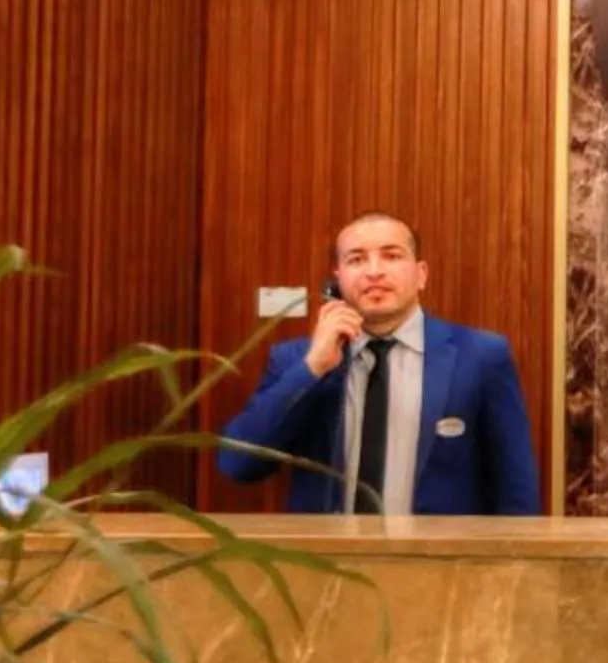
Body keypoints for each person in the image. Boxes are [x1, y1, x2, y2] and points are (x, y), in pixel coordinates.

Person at [218, 212, 541, 515]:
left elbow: (516, 488)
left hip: (442, 568)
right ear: (338, 280)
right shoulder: (295, 360)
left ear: (421, 274)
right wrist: (312, 368)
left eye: (392, 255)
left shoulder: (482, 356)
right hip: (327, 566)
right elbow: (238, 464)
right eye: (356, 259)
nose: (374, 271)